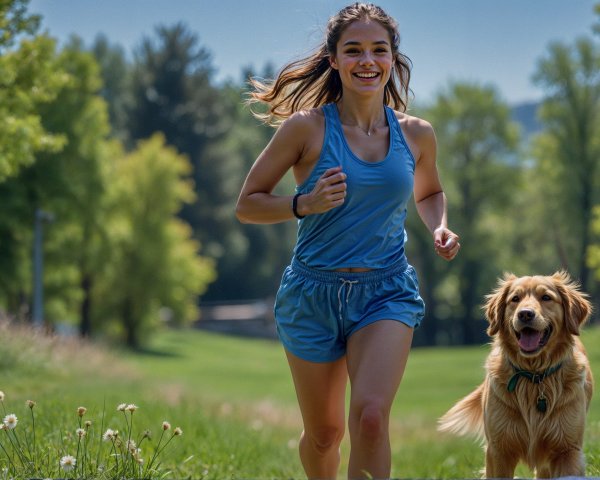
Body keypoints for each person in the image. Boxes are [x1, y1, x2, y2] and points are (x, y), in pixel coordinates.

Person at [236, 3, 460, 478]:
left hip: (386, 291)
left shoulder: (416, 134)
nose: (367, 60)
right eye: (353, 50)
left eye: (379, 50)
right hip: (312, 295)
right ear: (334, 59)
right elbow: (248, 203)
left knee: (373, 419)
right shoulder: (306, 128)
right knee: (325, 436)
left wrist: (438, 224)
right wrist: (302, 204)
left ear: (392, 59)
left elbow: (431, 192)